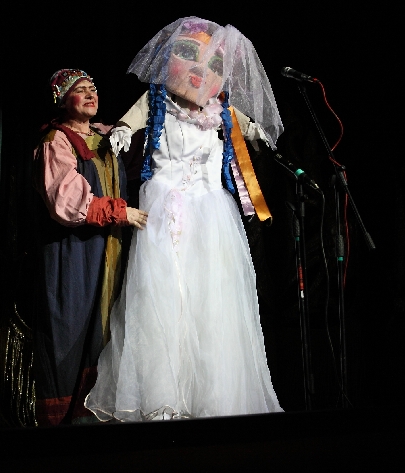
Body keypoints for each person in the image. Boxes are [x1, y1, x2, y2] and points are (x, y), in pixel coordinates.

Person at [85, 18, 283, 421]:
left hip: (212, 215)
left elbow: (251, 129)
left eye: (212, 63)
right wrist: (122, 130)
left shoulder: (221, 111)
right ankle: (164, 399)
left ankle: (214, 399)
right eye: (189, 55)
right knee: (165, 298)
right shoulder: (159, 101)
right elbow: (131, 119)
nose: (199, 70)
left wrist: (259, 133)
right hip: (167, 209)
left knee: (211, 302)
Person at [32, 69, 147, 425]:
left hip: (111, 248)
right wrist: (119, 212)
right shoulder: (57, 141)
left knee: (110, 328)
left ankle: (104, 414)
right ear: (62, 100)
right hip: (74, 253)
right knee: (73, 331)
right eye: (79, 90)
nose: (89, 94)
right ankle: (67, 423)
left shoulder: (106, 137)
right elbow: (64, 200)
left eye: (93, 88)